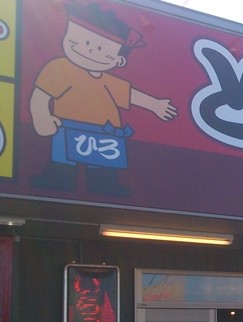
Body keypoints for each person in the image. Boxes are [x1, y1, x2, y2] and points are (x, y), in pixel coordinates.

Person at [29, 2, 177, 196]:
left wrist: (155, 105)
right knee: (62, 161)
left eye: (100, 48)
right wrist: (41, 117)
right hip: (67, 125)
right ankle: (56, 181)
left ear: (119, 60)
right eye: (81, 41)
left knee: (102, 167)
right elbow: (41, 94)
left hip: (104, 132)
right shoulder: (60, 68)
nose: (90, 50)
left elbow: (130, 95)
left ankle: (106, 187)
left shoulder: (110, 82)